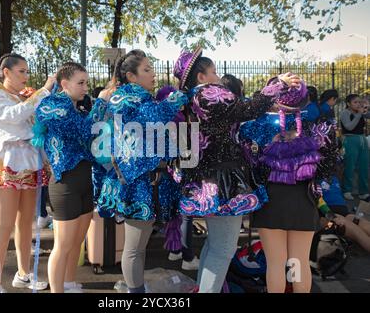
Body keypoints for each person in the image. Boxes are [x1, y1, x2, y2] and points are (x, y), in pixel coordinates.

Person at [173, 47, 301, 293]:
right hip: (223, 179)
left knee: (214, 245)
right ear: (201, 77)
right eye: (214, 71)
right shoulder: (209, 95)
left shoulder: (190, 99)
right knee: (223, 249)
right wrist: (278, 84)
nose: (219, 77)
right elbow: (247, 110)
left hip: (206, 177)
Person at [96, 49, 188, 293]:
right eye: (146, 69)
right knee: (134, 248)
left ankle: (136, 288)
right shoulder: (126, 98)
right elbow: (152, 119)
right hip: (136, 183)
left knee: (139, 245)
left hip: (146, 181)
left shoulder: (138, 97)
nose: (153, 73)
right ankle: (135, 292)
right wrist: (175, 98)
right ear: (131, 76)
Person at [239, 75, 338, 293]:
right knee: (298, 261)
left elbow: (247, 161)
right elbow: (330, 162)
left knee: (275, 262)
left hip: (269, 198)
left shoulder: (255, 126)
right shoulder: (318, 126)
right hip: (304, 197)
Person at [0, 53, 55, 293]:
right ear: (6, 72)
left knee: (26, 224)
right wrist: (44, 91)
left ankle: (24, 274)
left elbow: (34, 127)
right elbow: (13, 117)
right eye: (21, 71)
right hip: (2, 166)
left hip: (28, 164)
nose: (26, 77)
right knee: (3, 226)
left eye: (27, 72)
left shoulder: (26, 97)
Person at [34, 61, 108, 293]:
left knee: (77, 240)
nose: (86, 87)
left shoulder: (78, 107)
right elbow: (82, 130)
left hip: (85, 179)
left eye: (86, 82)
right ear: (64, 84)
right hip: (65, 182)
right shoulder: (51, 105)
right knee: (63, 244)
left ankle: (69, 282)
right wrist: (102, 103)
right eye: (81, 83)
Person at [318, 176, 370, 252]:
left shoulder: (333, 176)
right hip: (327, 217)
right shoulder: (309, 175)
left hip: (343, 212)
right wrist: (330, 215)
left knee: (358, 221)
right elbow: (318, 201)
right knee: (352, 228)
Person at [340, 94, 369, 201]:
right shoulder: (345, 113)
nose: (358, 104)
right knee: (350, 166)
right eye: (355, 102)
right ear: (348, 104)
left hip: (362, 140)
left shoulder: (361, 112)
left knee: (364, 166)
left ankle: (363, 192)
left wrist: (366, 107)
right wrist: (358, 115)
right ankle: (347, 190)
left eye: (359, 102)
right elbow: (349, 127)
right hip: (350, 140)